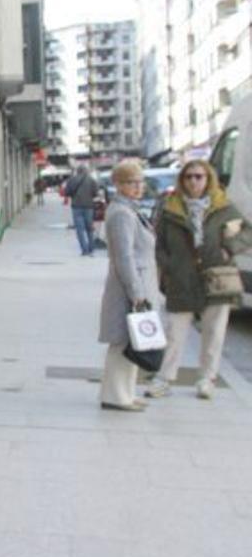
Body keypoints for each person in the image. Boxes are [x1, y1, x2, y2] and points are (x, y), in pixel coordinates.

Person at [145, 159, 252, 400]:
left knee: (214, 332)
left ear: (208, 179)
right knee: (174, 331)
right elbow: (159, 244)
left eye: (199, 176)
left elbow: (248, 231)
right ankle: (164, 378)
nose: (194, 181)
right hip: (181, 278)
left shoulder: (222, 206)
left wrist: (229, 249)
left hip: (216, 277)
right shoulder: (171, 208)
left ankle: (207, 378)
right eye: (189, 176)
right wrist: (169, 265)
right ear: (182, 180)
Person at [97, 159, 159, 411]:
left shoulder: (129, 209)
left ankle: (126, 393)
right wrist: (136, 292)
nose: (137, 186)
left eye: (140, 181)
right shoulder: (122, 213)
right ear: (118, 184)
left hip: (138, 282)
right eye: (131, 182)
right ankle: (115, 396)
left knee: (135, 340)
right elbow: (124, 256)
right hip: (129, 286)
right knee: (123, 341)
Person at [65, 164, 99, 255]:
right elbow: (96, 193)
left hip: (76, 206)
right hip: (89, 207)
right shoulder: (92, 180)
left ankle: (84, 250)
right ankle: (91, 248)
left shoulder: (72, 180)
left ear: (78, 171)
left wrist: (74, 195)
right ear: (86, 171)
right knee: (89, 228)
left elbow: (67, 192)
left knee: (80, 229)